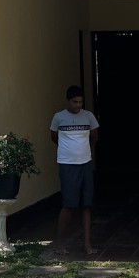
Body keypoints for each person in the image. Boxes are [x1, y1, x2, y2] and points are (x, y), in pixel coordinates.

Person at [50, 85, 99, 256]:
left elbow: (94, 136)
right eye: (74, 102)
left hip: (85, 164)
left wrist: (83, 151)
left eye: (80, 102)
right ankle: (59, 242)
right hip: (67, 165)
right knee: (69, 204)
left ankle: (87, 244)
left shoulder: (89, 116)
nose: (78, 105)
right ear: (68, 101)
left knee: (87, 204)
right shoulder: (59, 117)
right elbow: (54, 137)